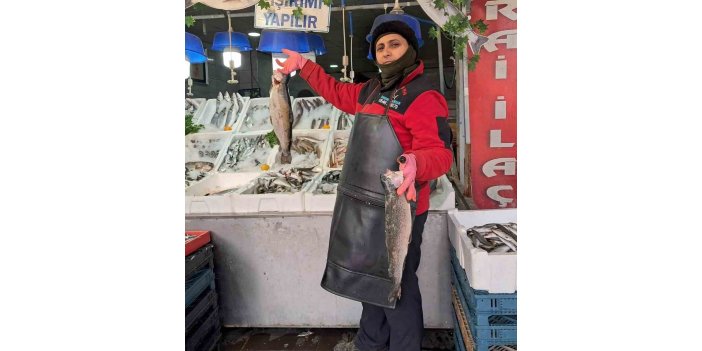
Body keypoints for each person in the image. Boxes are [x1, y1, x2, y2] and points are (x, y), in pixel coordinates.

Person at [276, 19, 453, 351]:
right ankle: (370, 345)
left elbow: (439, 154)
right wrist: (303, 66)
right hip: (363, 208)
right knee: (367, 285)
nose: (386, 52)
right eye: (381, 47)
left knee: (397, 287)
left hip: (401, 210)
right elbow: (336, 92)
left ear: (411, 49)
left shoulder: (424, 95)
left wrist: (417, 163)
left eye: (394, 44)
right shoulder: (371, 89)